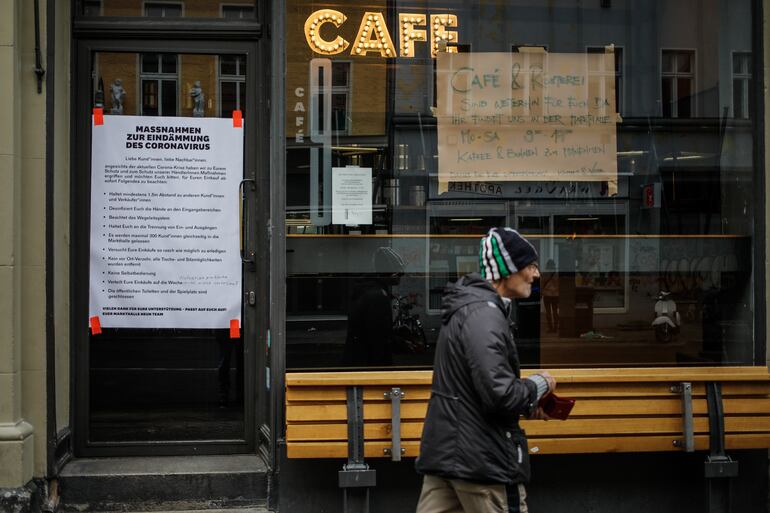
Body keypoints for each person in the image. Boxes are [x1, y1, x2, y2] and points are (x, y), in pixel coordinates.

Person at [415, 227, 556, 513]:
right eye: (530, 266)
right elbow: (500, 395)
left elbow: (474, 387)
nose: (536, 275)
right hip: (481, 460)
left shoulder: (469, 308)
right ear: (508, 271)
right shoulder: (484, 315)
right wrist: (540, 384)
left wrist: (528, 406)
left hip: (450, 455)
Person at [343, 247, 404, 367]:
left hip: (360, 359)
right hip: (370, 362)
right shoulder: (377, 296)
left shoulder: (368, 290)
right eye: (398, 272)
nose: (399, 277)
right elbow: (379, 337)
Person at [541, 259, 559, 333]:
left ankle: (550, 328)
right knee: (555, 311)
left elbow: (542, 284)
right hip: (555, 295)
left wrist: (541, 293)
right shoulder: (557, 274)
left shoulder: (544, 274)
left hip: (547, 294)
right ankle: (555, 327)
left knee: (548, 312)